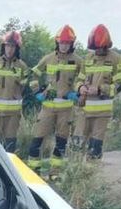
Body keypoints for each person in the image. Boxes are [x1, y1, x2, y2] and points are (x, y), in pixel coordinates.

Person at [26, 24, 83, 174]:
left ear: (72, 44)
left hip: (66, 109)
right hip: (48, 107)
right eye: (62, 43)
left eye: (67, 43)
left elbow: (84, 79)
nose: (64, 46)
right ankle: (34, 171)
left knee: (61, 141)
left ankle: (54, 173)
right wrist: (37, 91)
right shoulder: (48, 58)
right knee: (37, 138)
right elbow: (33, 75)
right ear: (57, 42)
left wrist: (77, 93)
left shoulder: (77, 61)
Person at [72, 24, 121, 160]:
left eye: (101, 48)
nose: (99, 51)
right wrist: (80, 88)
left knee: (95, 148)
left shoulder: (115, 58)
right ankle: (75, 174)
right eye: (96, 48)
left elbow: (119, 85)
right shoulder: (87, 59)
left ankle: (90, 176)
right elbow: (79, 80)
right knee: (77, 146)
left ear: (107, 45)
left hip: (102, 113)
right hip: (84, 110)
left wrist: (101, 89)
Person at [0, 30, 30, 151]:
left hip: (13, 115)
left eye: (13, 46)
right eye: (7, 46)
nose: (10, 49)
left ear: (17, 48)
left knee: (10, 147)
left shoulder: (22, 67)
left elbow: (24, 89)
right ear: (3, 46)